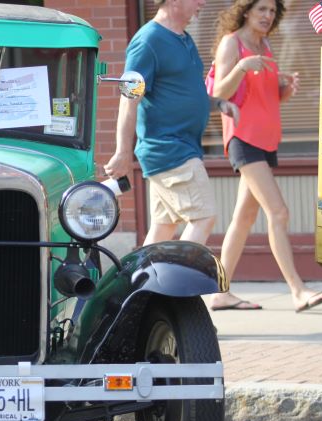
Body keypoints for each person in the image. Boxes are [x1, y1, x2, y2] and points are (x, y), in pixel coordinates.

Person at [207, 0, 322, 312]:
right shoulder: (232, 43)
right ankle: (298, 290)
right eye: (262, 9)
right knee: (278, 212)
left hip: (265, 139)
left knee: (244, 219)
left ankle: (220, 292)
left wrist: (285, 89)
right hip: (243, 138)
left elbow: (266, 97)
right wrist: (241, 66)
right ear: (246, 11)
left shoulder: (264, 45)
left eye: (272, 11)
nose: (268, 16)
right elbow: (218, 94)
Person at [103, 0, 240, 246]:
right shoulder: (147, 41)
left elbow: (185, 92)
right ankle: (180, 272)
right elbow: (128, 100)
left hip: (180, 147)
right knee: (203, 217)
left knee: (163, 227)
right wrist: (122, 152)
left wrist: (218, 103)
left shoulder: (184, 38)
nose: (203, 2)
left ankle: (143, 273)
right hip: (169, 149)